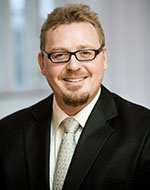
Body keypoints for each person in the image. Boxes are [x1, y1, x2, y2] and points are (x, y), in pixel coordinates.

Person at [0, 4, 150, 190]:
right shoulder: (6, 133)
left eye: (85, 53)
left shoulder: (145, 132)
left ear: (103, 58)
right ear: (42, 63)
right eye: (60, 54)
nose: (73, 66)